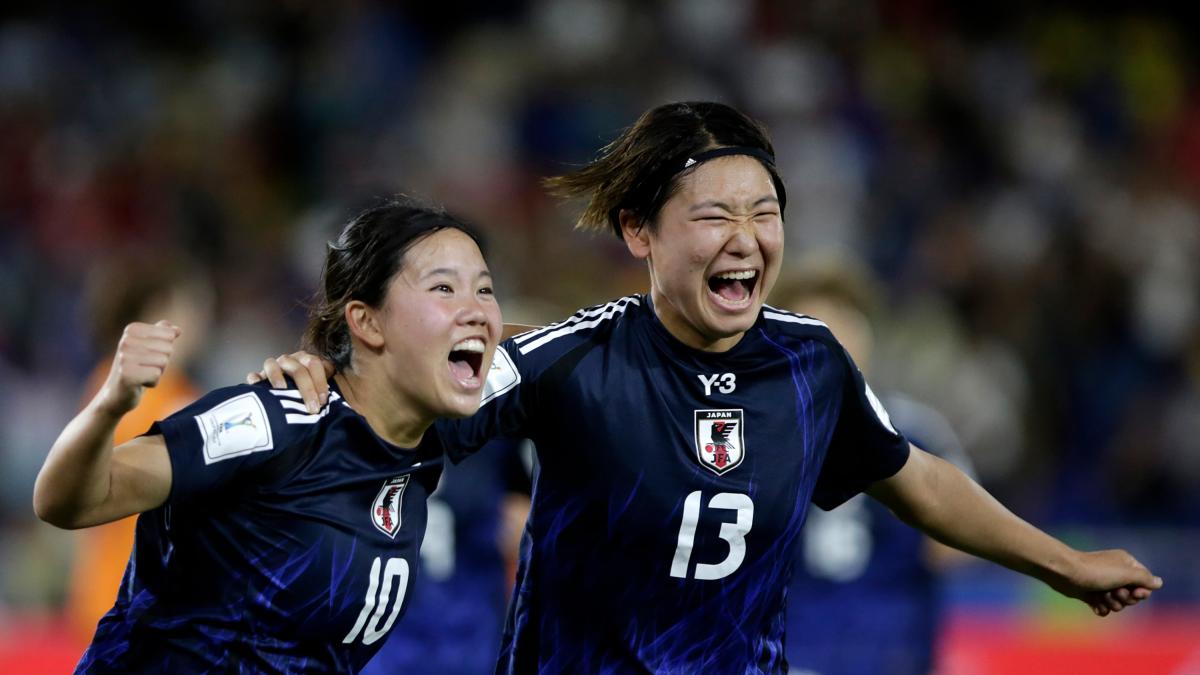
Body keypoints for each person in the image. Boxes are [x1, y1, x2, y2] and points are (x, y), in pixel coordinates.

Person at [262, 102, 1161, 673]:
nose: (747, 235)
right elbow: (398, 407)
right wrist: (317, 376)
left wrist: (1067, 564)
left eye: (765, 213)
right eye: (715, 214)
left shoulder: (810, 363)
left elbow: (917, 478)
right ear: (639, 233)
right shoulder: (571, 359)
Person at [33, 198, 503, 673]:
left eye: (485, 291)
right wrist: (112, 400)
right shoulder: (275, 421)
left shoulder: (415, 456)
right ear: (365, 321)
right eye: (444, 287)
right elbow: (67, 500)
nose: (476, 311)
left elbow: (556, 346)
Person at [771, 253, 976, 675]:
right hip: (800, 653)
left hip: (890, 652)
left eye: (840, 325)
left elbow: (957, 547)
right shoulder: (758, 438)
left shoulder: (917, 431)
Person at [66, 254, 215, 648]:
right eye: (192, 307)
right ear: (159, 312)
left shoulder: (109, 385)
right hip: (135, 605)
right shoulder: (131, 394)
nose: (203, 321)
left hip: (126, 600)